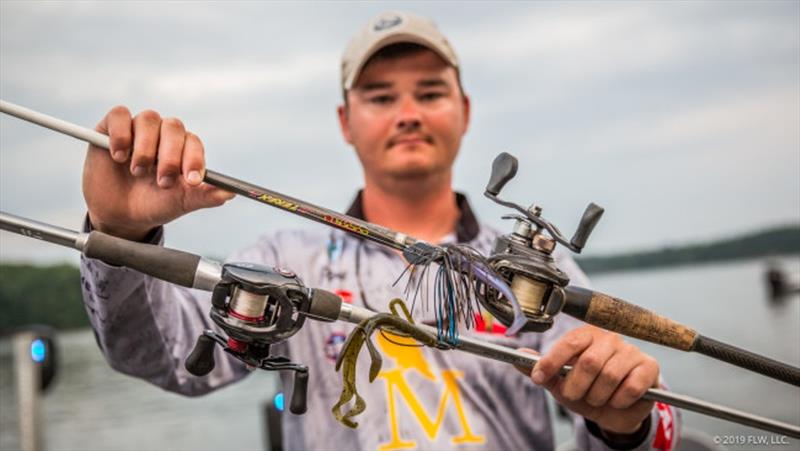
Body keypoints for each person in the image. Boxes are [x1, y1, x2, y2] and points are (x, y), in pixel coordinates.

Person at [79, 11, 680, 451]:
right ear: (346, 121)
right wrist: (122, 233)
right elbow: (164, 358)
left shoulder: (538, 275)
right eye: (381, 95)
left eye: (430, 92)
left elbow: (632, 424)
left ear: (464, 111)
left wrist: (623, 421)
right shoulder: (287, 257)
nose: (409, 112)